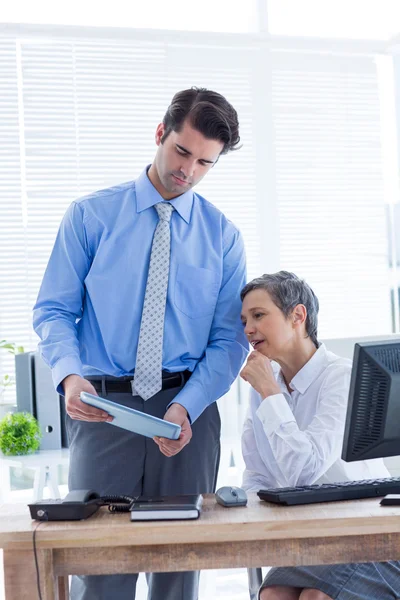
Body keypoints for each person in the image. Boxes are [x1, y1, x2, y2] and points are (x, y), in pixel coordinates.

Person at [33, 87, 248, 600]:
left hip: (186, 417)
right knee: (101, 571)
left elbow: (228, 341)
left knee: (179, 572)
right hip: (102, 409)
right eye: (181, 152)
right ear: (160, 133)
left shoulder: (223, 237)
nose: (188, 171)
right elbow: (54, 310)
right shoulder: (91, 217)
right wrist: (69, 375)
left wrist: (187, 406)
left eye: (204, 163)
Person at [239, 271, 400, 600]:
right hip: (312, 538)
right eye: (244, 320)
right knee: (272, 594)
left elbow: (305, 471)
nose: (248, 329)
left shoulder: (340, 378)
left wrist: (271, 394)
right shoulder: (265, 381)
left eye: (258, 316)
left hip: (368, 535)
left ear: (298, 316)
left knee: (316, 597)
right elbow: (257, 472)